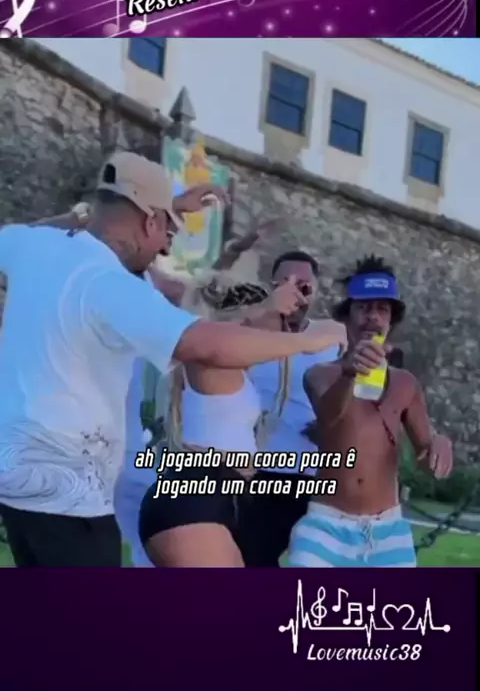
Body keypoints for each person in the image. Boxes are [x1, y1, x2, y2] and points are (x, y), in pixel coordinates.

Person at [0, 150, 345, 567]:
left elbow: (30, 231)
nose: (166, 243)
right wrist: (311, 339)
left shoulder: (34, 245)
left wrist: (105, 211)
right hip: (70, 495)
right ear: (148, 221)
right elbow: (208, 345)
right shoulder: (111, 284)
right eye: (166, 227)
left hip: (18, 481)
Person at [138, 275, 346, 567]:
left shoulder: (238, 373)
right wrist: (290, 329)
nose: (284, 329)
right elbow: (222, 337)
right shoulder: (211, 359)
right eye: (280, 320)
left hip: (226, 496)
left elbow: (335, 329)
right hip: (195, 496)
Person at [287, 254, 453, 568]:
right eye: (363, 308)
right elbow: (330, 418)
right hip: (327, 523)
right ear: (346, 317)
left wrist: (438, 446)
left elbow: (425, 455)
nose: (372, 318)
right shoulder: (322, 374)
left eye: (382, 309)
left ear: (391, 321)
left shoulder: (405, 383)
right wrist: (350, 373)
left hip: (387, 528)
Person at [239, 250, 341, 567]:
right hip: (252, 471)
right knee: (250, 560)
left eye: (304, 286)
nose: (294, 294)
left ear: (317, 290)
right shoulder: (246, 335)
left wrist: (333, 428)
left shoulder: (333, 338)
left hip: (311, 474)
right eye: (283, 284)